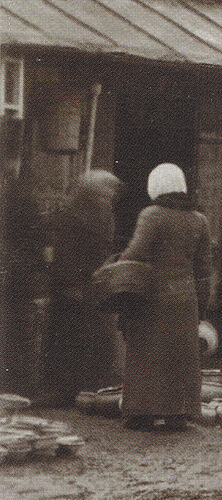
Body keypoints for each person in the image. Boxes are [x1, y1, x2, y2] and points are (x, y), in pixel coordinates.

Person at [116, 163, 212, 430]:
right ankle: (178, 414)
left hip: (153, 296)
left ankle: (141, 413)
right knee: (180, 355)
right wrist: (202, 306)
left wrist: (115, 267)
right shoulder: (199, 220)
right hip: (185, 297)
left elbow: (135, 252)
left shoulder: (152, 215)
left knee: (147, 352)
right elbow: (204, 269)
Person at [40, 170, 124, 407]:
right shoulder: (99, 213)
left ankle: (66, 390)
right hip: (81, 284)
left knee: (66, 339)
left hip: (72, 284)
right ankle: (82, 390)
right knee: (79, 338)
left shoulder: (76, 211)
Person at [2, 158, 49, 399]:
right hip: (21, 274)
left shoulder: (11, 195)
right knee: (22, 333)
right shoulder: (28, 200)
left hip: (11, 271)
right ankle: (20, 390)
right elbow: (38, 239)